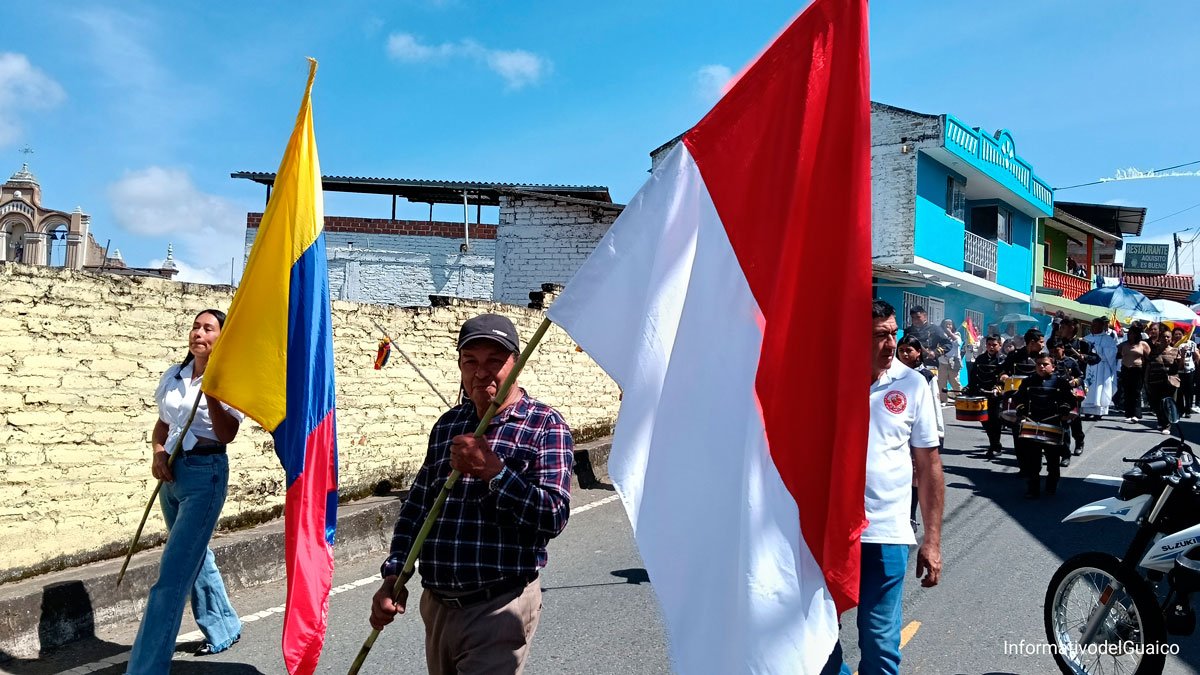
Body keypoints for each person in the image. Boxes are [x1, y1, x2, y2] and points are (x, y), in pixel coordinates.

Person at [370, 313, 574, 674]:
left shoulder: (545, 425)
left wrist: (492, 471)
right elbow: (417, 507)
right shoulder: (449, 424)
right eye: (470, 361)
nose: (481, 372)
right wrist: (394, 576)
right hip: (438, 606)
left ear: (517, 363)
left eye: (494, 361)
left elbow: (553, 515)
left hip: (500, 606)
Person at [824, 299, 943, 675]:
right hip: (828, 535)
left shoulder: (912, 383)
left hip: (887, 533)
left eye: (894, 333)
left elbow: (929, 466)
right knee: (818, 643)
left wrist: (932, 541)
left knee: (880, 643)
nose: (891, 344)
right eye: (880, 335)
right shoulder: (826, 380)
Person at [127, 309, 244, 673]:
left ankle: (145, 668)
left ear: (222, 338)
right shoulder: (175, 375)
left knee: (172, 576)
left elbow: (227, 434)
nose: (198, 333)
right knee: (195, 554)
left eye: (208, 328)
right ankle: (223, 625)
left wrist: (212, 394)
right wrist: (158, 453)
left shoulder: (230, 380)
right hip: (172, 475)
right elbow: (163, 425)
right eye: (195, 326)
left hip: (206, 476)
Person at [1011, 354, 1077, 498]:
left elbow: (1071, 400)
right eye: (1039, 364)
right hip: (1032, 424)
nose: (1041, 366)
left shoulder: (1061, 382)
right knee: (1032, 461)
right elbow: (1018, 397)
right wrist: (1021, 407)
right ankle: (1032, 489)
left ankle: (1051, 487)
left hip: (1052, 425)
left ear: (1053, 367)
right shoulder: (1028, 381)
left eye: (1045, 364)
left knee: (1053, 461)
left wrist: (1065, 407)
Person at [966, 335, 1005, 459]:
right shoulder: (980, 359)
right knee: (984, 420)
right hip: (981, 394)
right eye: (989, 345)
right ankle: (994, 443)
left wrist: (998, 388)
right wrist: (969, 388)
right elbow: (973, 376)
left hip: (996, 396)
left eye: (994, 345)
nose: (991, 347)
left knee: (995, 420)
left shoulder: (1003, 360)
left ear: (1000, 345)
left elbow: (1005, 377)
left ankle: (995, 446)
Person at [1050, 340, 1086, 462]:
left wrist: (1075, 382)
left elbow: (1081, 377)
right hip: (1055, 396)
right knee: (1063, 426)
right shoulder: (1049, 361)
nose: (1054, 353)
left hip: (1071, 396)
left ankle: (1079, 441)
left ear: (1062, 348)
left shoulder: (1071, 362)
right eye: (1052, 351)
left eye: (1056, 350)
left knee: (1075, 424)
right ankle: (1065, 454)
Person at [1145, 322, 1181, 434]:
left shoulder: (1175, 351)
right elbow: (1149, 366)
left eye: (1168, 337)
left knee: (1168, 403)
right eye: (1164, 336)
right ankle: (1161, 421)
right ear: (1160, 338)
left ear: (1171, 339)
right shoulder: (1153, 351)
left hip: (1170, 382)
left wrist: (1183, 356)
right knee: (1157, 403)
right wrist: (1146, 381)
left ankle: (1167, 425)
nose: (1166, 338)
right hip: (1155, 380)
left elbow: (1180, 367)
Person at [1081, 317, 1118, 420]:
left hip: (1102, 367)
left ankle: (1098, 412)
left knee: (1100, 390)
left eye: (1095, 325)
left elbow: (1113, 352)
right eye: (1092, 325)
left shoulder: (1108, 339)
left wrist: (1100, 349)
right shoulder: (1086, 338)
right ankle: (1086, 411)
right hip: (1088, 367)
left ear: (1102, 326)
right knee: (1088, 387)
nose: (1092, 327)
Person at [903, 306, 954, 371]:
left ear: (925, 316)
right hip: (912, 365)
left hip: (929, 365)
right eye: (913, 318)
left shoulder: (935, 329)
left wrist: (935, 352)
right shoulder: (908, 331)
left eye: (918, 317)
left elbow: (948, 344)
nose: (915, 320)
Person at [1118, 324, 1151, 423]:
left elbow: (1149, 357)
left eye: (1132, 333)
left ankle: (1136, 414)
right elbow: (1116, 353)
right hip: (1125, 369)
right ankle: (1128, 414)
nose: (1130, 335)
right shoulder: (1123, 344)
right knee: (1127, 392)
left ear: (1137, 334)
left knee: (1136, 392)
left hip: (1137, 370)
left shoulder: (1143, 344)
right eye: (1129, 333)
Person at [937, 319, 964, 405]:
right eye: (946, 324)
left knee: (955, 382)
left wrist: (950, 334)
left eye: (950, 324)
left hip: (953, 362)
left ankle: (959, 398)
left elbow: (958, 343)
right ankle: (943, 400)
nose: (948, 326)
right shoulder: (940, 335)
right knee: (942, 382)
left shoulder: (957, 334)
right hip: (943, 362)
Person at [1173, 327, 1197, 418]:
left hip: (1189, 371)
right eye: (1176, 334)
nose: (1178, 336)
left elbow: (1195, 356)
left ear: (1183, 335)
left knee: (1189, 391)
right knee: (1179, 391)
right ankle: (1180, 410)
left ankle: (1188, 410)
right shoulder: (1173, 345)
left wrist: (1192, 364)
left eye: (1180, 334)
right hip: (1178, 371)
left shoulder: (1191, 343)